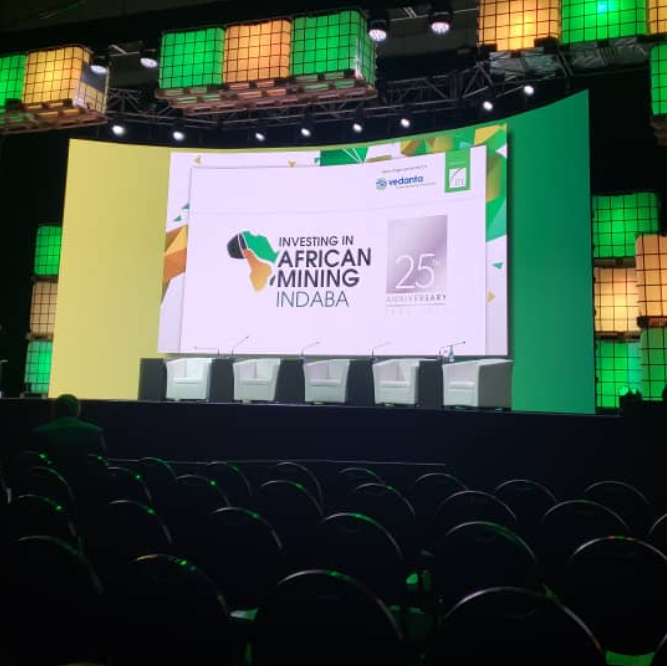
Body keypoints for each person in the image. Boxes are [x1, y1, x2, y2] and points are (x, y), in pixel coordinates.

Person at [29, 393, 108, 485]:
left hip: (50, 487)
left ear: (54, 410)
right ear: (78, 410)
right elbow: (103, 464)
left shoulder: (39, 433)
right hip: (87, 488)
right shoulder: (95, 432)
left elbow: (34, 467)